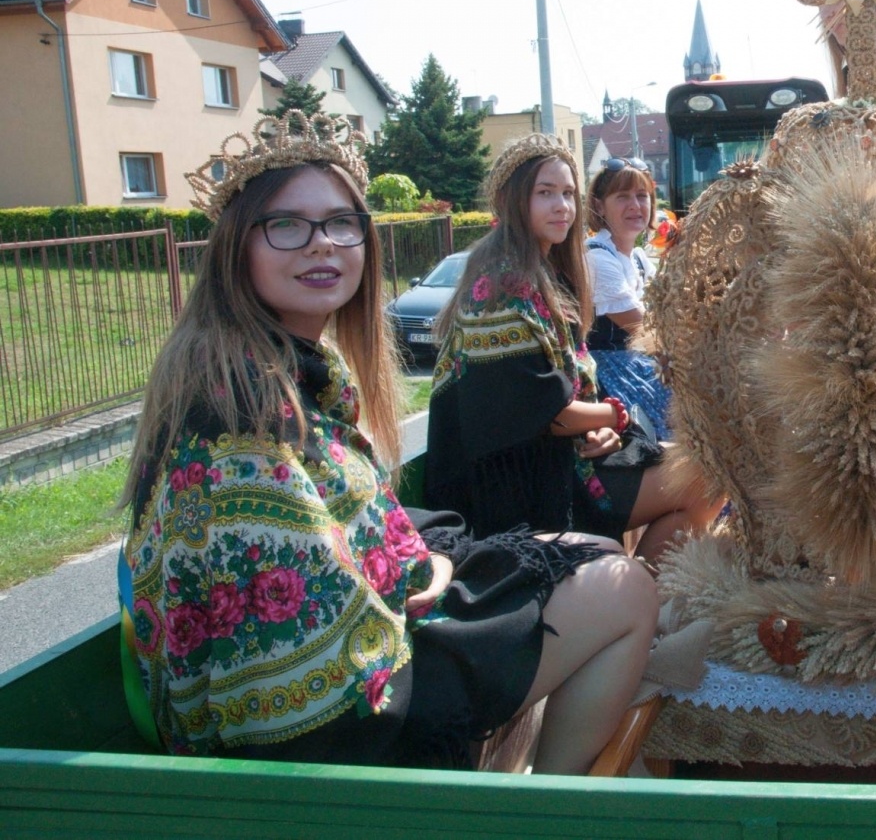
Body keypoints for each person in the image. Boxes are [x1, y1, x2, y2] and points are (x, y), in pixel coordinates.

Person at [119, 113, 656, 772]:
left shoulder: (291, 369)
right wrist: (426, 570)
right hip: (353, 718)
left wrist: (427, 560)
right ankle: (544, 805)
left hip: (387, 628)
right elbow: (317, 672)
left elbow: (362, 522)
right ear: (238, 248)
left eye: (341, 222)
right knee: (626, 587)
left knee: (597, 556)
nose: (322, 244)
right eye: (287, 224)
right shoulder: (236, 414)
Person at [426, 136, 719, 564]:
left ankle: (640, 608)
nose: (562, 205)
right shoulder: (504, 287)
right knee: (706, 476)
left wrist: (601, 427)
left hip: (562, 456)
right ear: (511, 201)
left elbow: (566, 399)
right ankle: (630, 605)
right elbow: (547, 412)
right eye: (544, 193)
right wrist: (614, 417)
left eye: (567, 193)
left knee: (703, 478)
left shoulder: (543, 273)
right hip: (520, 489)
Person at [584, 156, 673, 439]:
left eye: (642, 195)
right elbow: (644, 329)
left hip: (642, 363)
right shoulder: (597, 258)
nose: (635, 205)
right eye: (622, 197)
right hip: (612, 373)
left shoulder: (637, 258)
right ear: (599, 205)